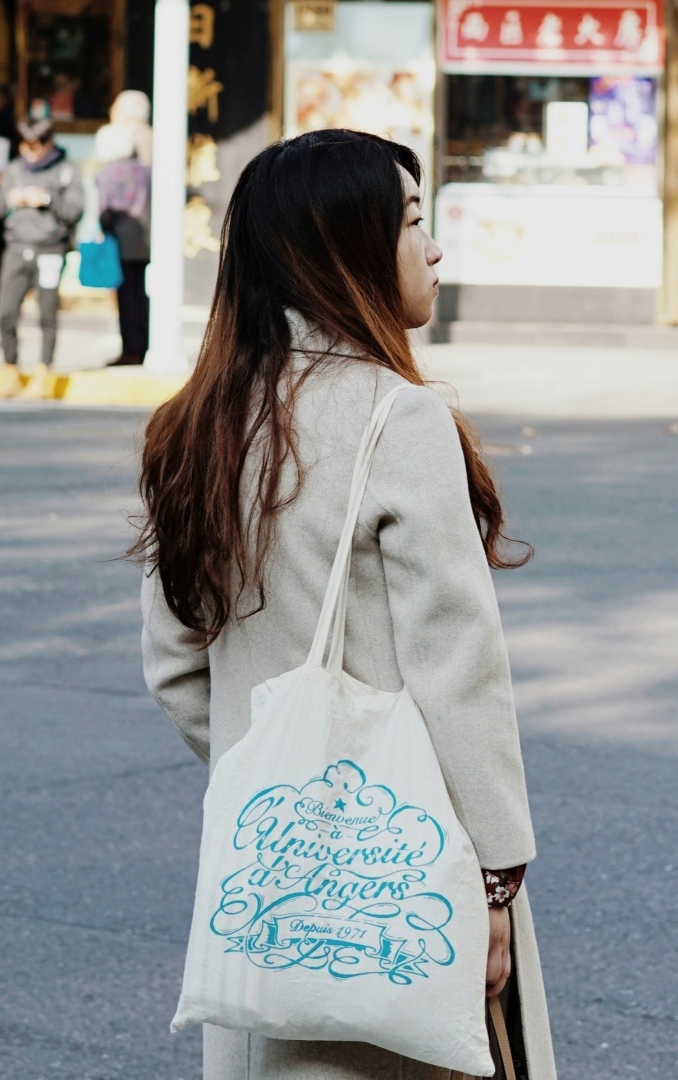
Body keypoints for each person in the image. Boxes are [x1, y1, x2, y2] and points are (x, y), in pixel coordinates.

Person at [133, 129, 555, 1079]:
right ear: (346, 248)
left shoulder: (197, 422)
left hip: (275, 878)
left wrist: (286, 775)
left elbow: (174, 667)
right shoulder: (399, 419)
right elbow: (459, 671)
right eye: (412, 222)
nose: (435, 247)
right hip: (406, 880)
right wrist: (491, 879)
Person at [0, 118, 83, 398]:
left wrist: (47, 200)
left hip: (50, 249)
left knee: (47, 313)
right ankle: (11, 371)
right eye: (26, 147)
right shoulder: (15, 169)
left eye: (36, 147)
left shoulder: (66, 171)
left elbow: (75, 211)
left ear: (48, 144)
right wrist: (12, 200)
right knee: (6, 312)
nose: (31, 153)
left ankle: (43, 372)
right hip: (17, 247)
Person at [93, 124, 149, 366]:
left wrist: (102, 228)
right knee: (141, 296)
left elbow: (107, 211)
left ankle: (131, 349)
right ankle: (144, 346)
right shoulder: (146, 171)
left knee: (126, 298)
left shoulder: (108, 173)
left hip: (121, 242)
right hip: (146, 241)